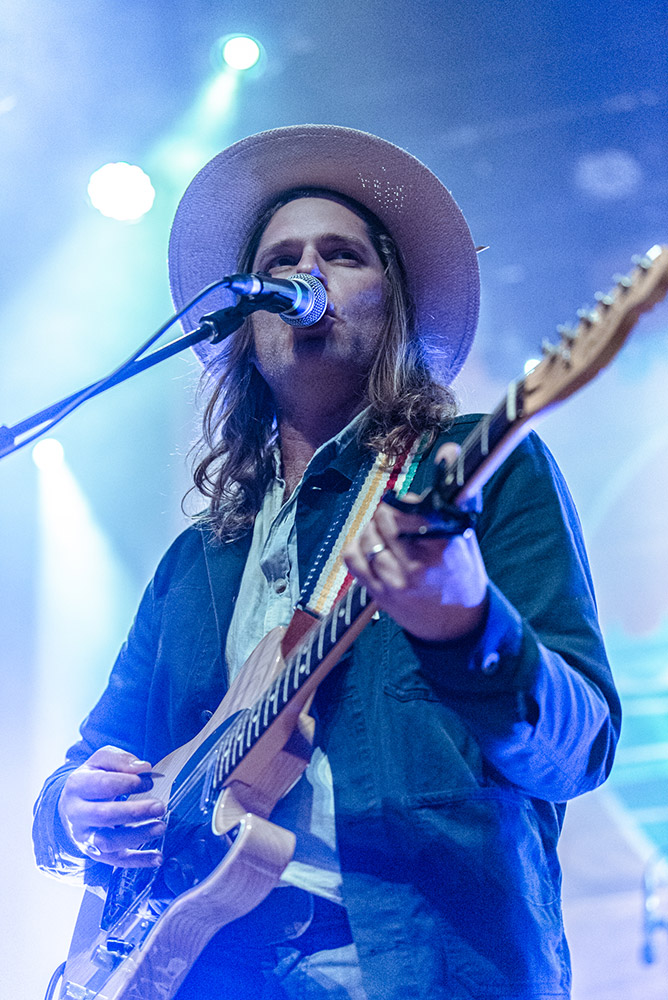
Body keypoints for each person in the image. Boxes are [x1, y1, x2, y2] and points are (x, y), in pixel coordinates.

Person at [33, 125, 620, 1000]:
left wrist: (467, 624)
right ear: (243, 320)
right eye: (280, 260)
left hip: (414, 965)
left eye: (340, 255)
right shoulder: (197, 560)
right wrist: (72, 815)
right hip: (197, 969)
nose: (305, 275)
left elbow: (581, 750)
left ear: (394, 304)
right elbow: (92, 760)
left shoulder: (478, 473)